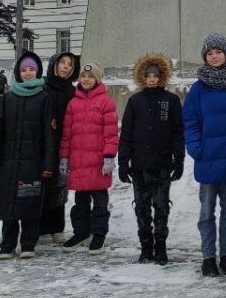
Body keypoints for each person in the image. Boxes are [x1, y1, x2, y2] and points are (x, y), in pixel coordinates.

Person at [183, 33, 226, 277]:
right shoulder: (198, 89)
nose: (214, 56)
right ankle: (208, 257)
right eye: (209, 53)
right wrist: (196, 149)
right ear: (205, 57)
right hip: (208, 160)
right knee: (206, 212)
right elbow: (190, 122)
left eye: (218, 52)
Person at [0, 53, 57, 259]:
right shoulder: (8, 98)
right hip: (8, 162)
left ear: (38, 72)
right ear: (18, 73)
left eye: (32, 70)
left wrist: (48, 164)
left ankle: (28, 243)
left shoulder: (44, 97)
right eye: (24, 70)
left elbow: (48, 134)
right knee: (8, 204)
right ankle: (7, 245)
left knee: (30, 203)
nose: (28, 73)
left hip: (33, 162)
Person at [119, 53, 185, 265]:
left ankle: (160, 245)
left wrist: (179, 159)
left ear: (162, 77)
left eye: (156, 75)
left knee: (162, 205)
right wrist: (123, 162)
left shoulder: (171, 100)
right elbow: (126, 134)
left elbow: (177, 132)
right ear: (142, 77)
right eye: (148, 75)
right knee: (141, 206)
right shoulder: (134, 101)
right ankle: (145, 245)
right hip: (139, 164)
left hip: (163, 163)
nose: (152, 79)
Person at [58, 61, 118, 254]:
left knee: (100, 203)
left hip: (98, 162)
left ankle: (99, 234)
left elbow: (111, 133)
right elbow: (67, 134)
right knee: (80, 203)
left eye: (90, 76)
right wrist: (64, 157)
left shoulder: (105, 102)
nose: (86, 79)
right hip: (79, 162)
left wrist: (109, 156)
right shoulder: (73, 103)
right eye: (83, 76)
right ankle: (81, 232)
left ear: (97, 79)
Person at [40, 50, 79, 243]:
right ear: (54, 65)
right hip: (46, 144)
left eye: (70, 64)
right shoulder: (44, 88)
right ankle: (43, 228)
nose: (66, 67)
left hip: (65, 144)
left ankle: (57, 227)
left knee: (60, 186)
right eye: (63, 62)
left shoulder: (73, 91)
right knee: (44, 185)